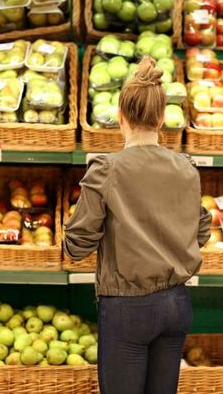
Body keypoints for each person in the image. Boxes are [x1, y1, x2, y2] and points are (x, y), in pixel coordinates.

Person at [64, 56, 212, 394]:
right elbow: (201, 231)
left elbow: (78, 245)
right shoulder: (186, 167)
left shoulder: (106, 170)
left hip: (127, 309)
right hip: (176, 303)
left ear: (120, 118)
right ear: (162, 119)